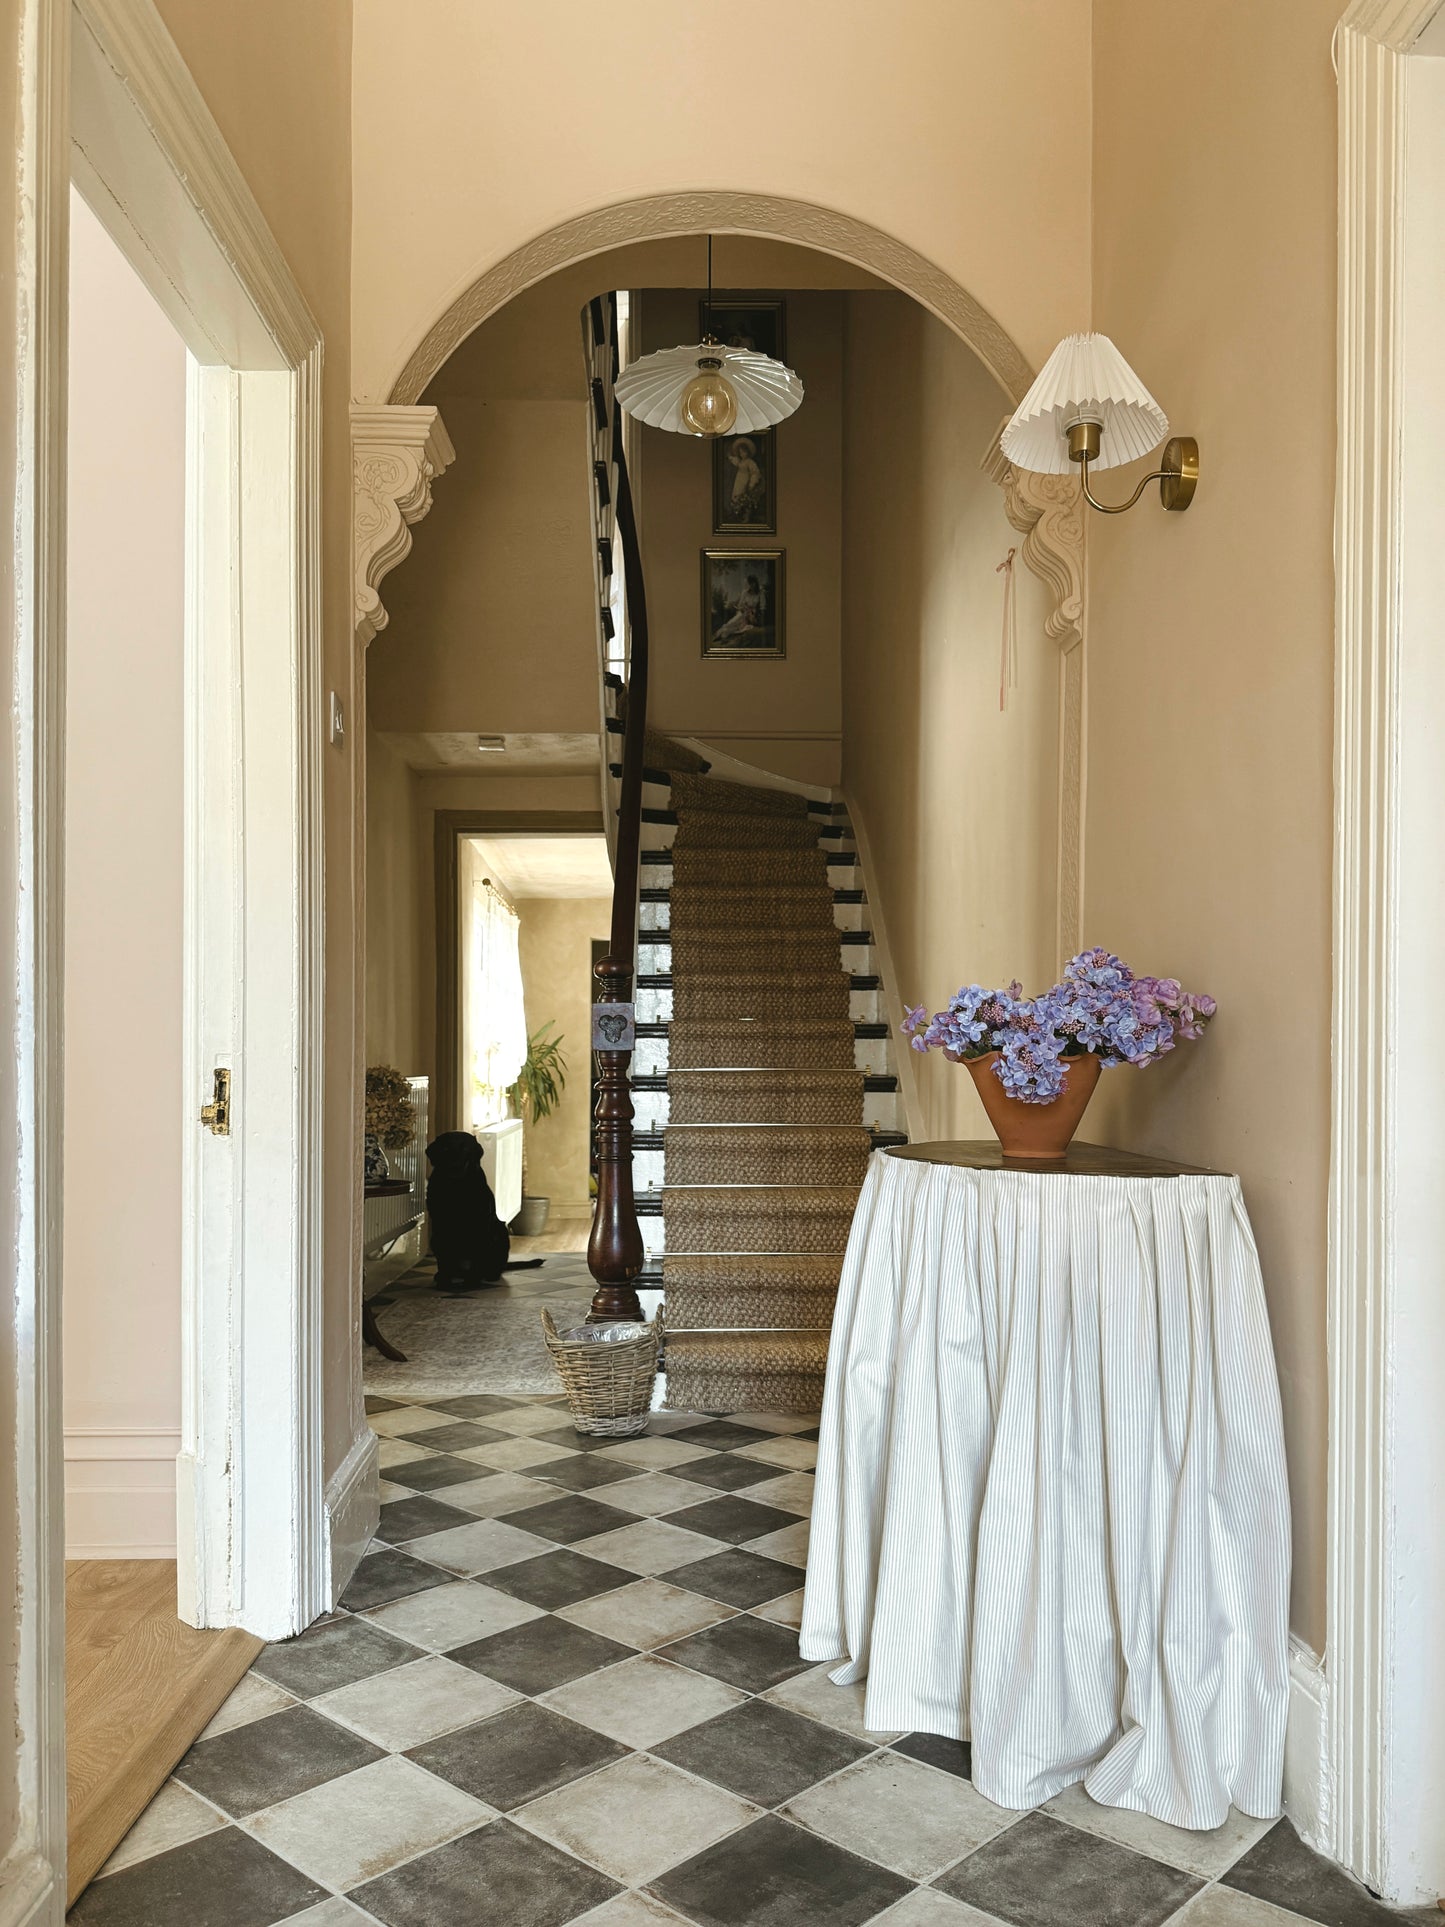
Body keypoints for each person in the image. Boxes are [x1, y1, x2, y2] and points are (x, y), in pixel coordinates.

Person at [425, 1131, 543, 1293]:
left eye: (463, 1152)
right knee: (443, 1230)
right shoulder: (437, 1185)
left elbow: (482, 1233)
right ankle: (447, 1272)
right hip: (452, 1243)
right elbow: (439, 1232)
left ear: (472, 1156)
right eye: (449, 1152)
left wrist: (474, 1276)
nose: (456, 1159)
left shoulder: (476, 1184)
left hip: (484, 1251)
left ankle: (478, 1272)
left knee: (487, 1230)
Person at [713, 572, 765, 643]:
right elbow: (740, 605)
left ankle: (724, 635)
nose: (752, 585)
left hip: (752, 615)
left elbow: (762, 606)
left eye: (753, 583)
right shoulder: (745, 592)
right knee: (730, 623)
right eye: (750, 583)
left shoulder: (760, 592)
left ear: (756, 583)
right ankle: (718, 635)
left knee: (738, 627)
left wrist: (757, 616)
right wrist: (743, 608)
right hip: (742, 612)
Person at [727, 438, 764, 519]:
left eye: (743, 452)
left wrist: (751, 483)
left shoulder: (750, 462)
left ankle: (745, 515)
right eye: (740, 452)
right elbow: (735, 461)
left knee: (744, 497)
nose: (742, 454)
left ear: (748, 452)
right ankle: (736, 513)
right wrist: (730, 456)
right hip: (738, 481)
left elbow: (755, 473)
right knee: (736, 495)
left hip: (745, 481)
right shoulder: (740, 461)